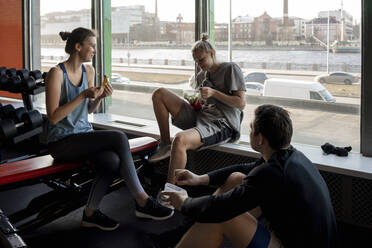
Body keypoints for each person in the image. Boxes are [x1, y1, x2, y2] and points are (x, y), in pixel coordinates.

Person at [45, 27, 173, 231]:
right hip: (61, 142)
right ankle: (142, 200)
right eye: (92, 46)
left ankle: (90, 213)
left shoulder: (89, 71)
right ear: (78, 47)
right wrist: (81, 95)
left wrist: (99, 98)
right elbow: (53, 117)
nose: (95, 50)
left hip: (82, 136)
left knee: (111, 161)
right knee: (119, 137)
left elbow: (85, 110)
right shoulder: (56, 74)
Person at [162, 104, 337, 248]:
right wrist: (200, 178)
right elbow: (247, 169)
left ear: (260, 139)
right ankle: (188, 232)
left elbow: (220, 208)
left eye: (252, 127)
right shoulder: (288, 155)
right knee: (236, 178)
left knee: (223, 216)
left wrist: (184, 203)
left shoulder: (273, 173)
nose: (249, 130)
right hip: (305, 236)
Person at [150, 33, 246, 185]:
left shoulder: (230, 69)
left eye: (201, 59)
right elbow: (205, 104)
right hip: (202, 117)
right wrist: (196, 103)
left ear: (212, 54)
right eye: (196, 61)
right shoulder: (202, 76)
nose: (199, 64)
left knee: (180, 139)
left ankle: (169, 193)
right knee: (159, 94)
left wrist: (214, 93)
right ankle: (165, 142)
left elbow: (241, 103)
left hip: (222, 123)